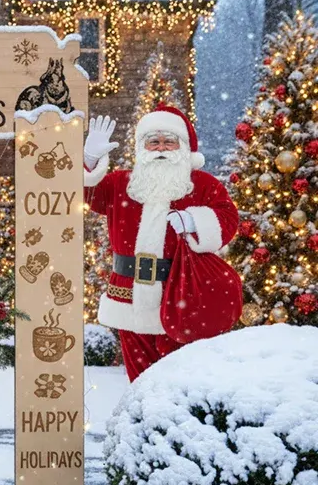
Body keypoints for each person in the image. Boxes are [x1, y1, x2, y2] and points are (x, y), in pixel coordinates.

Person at [83, 105, 238, 381]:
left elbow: (228, 218)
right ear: (142, 146)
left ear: (183, 147)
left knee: (180, 380)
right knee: (140, 380)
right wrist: (90, 161)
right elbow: (85, 192)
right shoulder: (122, 183)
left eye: (169, 141)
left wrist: (194, 221)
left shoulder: (202, 185)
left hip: (180, 294)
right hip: (128, 296)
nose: (161, 148)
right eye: (153, 141)